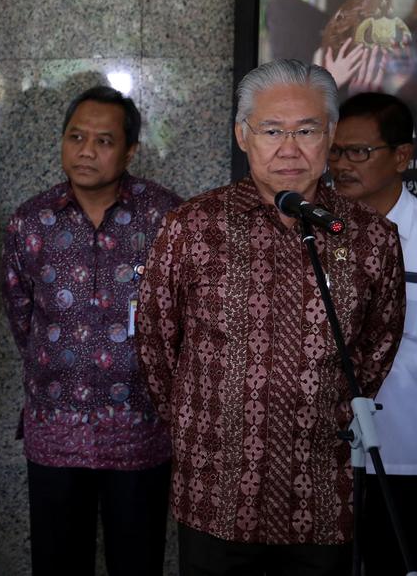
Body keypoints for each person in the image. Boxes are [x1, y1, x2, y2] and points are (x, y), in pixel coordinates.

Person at [137, 60, 404, 575]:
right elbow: (155, 341)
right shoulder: (191, 227)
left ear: (328, 135)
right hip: (216, 489)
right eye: (272, 130)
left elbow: (377, 345)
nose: (289, 148)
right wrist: (201, 425)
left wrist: (325, 410)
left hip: (321, 491)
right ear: (243, 135)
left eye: (305, 130)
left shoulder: (370, 236)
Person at [1, 85, 182, 576]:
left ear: (130, 151)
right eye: (75, 136)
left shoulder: (167, 218)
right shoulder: (30, 222)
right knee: (58, 561)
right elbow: (21, 314)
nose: (86, 151)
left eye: (103, 141)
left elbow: (186, 317)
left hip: (140, 429)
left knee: (137, 559)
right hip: (56, 427)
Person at [328, 91, 417, 576]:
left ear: (402, 156)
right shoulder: (316, 230)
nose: (341, 165)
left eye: (358, 152)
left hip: (406, 453)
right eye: (335, 151)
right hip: (329, 456)